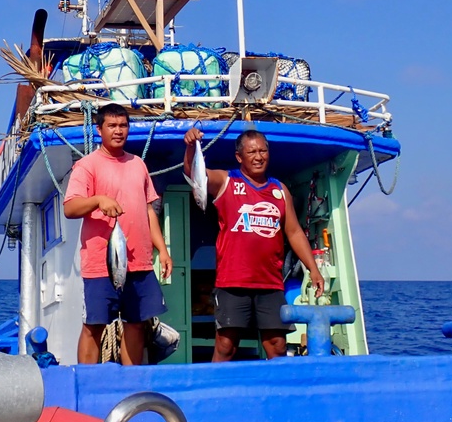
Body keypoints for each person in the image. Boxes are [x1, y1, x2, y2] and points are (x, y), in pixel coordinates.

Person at [183, 127, 323, 361]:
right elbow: (194, 173)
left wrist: (314, 269)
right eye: (252, 152)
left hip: (270, 283)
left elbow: (294, 232)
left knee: (277, 345)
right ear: (239, 157)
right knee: (226, 345)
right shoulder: (227, 181)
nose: (259, 157)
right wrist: (190, 147)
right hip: (232, 281)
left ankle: (275, 393)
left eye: (263, 151)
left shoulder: (279, 189)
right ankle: (216, 392)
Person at [64, 102, 173, 365]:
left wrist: (163, 250)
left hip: (140, 264)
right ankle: (87, 380)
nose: (118, 131)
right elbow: (70, 207)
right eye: (111, 125)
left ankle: (130, 382)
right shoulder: (87, 166)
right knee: (95, 325)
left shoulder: (138, 164)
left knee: (136, 324)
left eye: (123, 125)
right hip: (102, 265)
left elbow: (149, 211)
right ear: (99, 129)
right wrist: (99, 200)